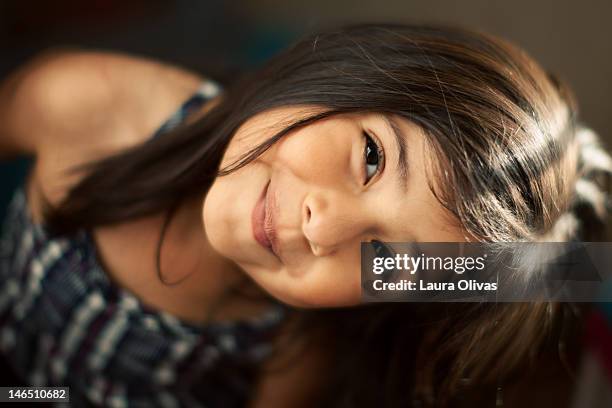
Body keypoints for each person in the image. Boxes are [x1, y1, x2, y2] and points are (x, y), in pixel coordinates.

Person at [0, 23, 610, 407]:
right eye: (370, 158)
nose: (324, 226)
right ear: (344, 75)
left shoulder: (295, 351)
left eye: (385, 257)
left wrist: (542, 253)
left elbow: (567, 271)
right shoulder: (90, 105)